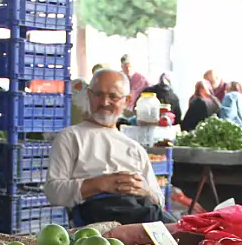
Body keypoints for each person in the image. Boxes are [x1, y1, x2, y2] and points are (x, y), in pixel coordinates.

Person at [45, 69, 172, 225]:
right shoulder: (70, 137)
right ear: (89, 95)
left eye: (113, 96)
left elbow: (158, 199)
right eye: (98, 94)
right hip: (98, 213)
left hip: (140, 211)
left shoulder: (134, 148)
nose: (104, 102)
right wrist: (103, 184)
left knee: (173, 225)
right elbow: (53, 192)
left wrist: (144, 190)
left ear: (126, 101)